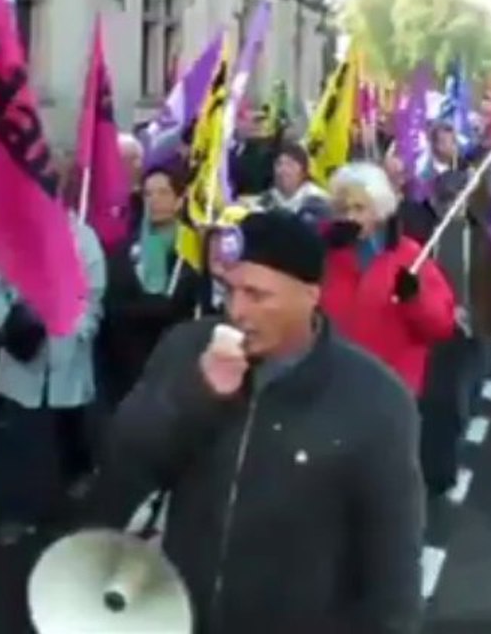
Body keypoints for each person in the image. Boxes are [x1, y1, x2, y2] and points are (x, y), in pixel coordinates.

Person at [91, 209, 425, 634]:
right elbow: (125, 461)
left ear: (311, 294)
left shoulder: (375, 397)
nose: (237, 311)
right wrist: (199, 394)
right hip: (176, 615)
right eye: (230, 290)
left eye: (257, 295)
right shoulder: (186, 348)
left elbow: (393, 562)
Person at [0, 213, 106, 544]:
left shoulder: (83, 239)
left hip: (66, 357)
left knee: (67, 435)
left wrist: (72, 326)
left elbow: (93, 301)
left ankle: (70, 510)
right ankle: (18, 513)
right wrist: (8, 325)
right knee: (19, 440)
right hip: (22, 355)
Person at [321, 162, 456, 397]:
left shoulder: (408, 255)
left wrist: (415, 298)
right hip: (335, 386)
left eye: (359, 208)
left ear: (378, 210)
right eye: (343, 209)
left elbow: (442, 325)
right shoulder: (324, 255)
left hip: (392, 388)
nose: (350, 217)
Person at [99, 165, 199, 408]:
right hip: (128, 368)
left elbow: (187, 304)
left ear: (179, 200)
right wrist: (150, 308)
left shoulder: (192, 249)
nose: (154, 200)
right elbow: (112, 304)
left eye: (163, 192)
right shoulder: (127, 249)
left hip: (175, 367)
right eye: (148, 193)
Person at [258, 140, 329, 215]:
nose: (283, 170)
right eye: (279, 164)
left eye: (290, 165)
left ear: (303, 171)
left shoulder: (318, 201)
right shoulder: (266, 200)